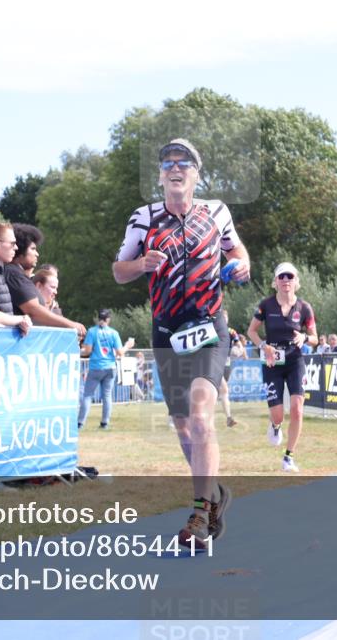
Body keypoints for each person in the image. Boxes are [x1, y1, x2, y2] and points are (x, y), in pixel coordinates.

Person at [113, 138, 249, 548]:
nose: (175, 167)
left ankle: (200, 513)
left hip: (209, 326)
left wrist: (240, 266)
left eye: (184, 162)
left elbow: (239, 253)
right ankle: (213, 493)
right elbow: (119, 271)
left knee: (203, 414)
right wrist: (141, 264)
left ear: (196, 172)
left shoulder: (217, 212)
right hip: (167, 331)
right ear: (160, 175)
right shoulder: (144, 217)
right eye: (168, 162)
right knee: (184, 426)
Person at [247, 262, 318, 472]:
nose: (285, 280)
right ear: (275, 282)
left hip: (295, 360)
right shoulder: (266, 305)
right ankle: (275, 425)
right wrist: (263, 346)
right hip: (272, 362)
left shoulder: (304, 308)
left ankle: (289, 457)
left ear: (296, 281)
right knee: (278, 414)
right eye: (281, 277)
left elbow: (314, 338)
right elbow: (251, 331)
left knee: (297, 409)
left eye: (290, 276)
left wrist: (304, 337)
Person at [77, 309, 134, 429]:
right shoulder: (114, 333)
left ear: (99, 318)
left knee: (88, 395)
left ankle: (80, 423)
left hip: (96, 367)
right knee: (107, 396)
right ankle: (104, 423)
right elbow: (119, 353)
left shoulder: (92, 331)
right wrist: (127, 346)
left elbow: (87, 351)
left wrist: (76, 352)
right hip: (110, 368)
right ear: (108, 319)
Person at [218, 310, 240, 428]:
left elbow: (239, 345)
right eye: (222, 317)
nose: (224, 319)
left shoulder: (231, 332)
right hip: (214, 364)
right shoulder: (213, 331)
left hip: (226, 365)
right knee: (224, 389)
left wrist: (239, 350)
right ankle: (229, 418)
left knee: (219, 393)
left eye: (226, 318)